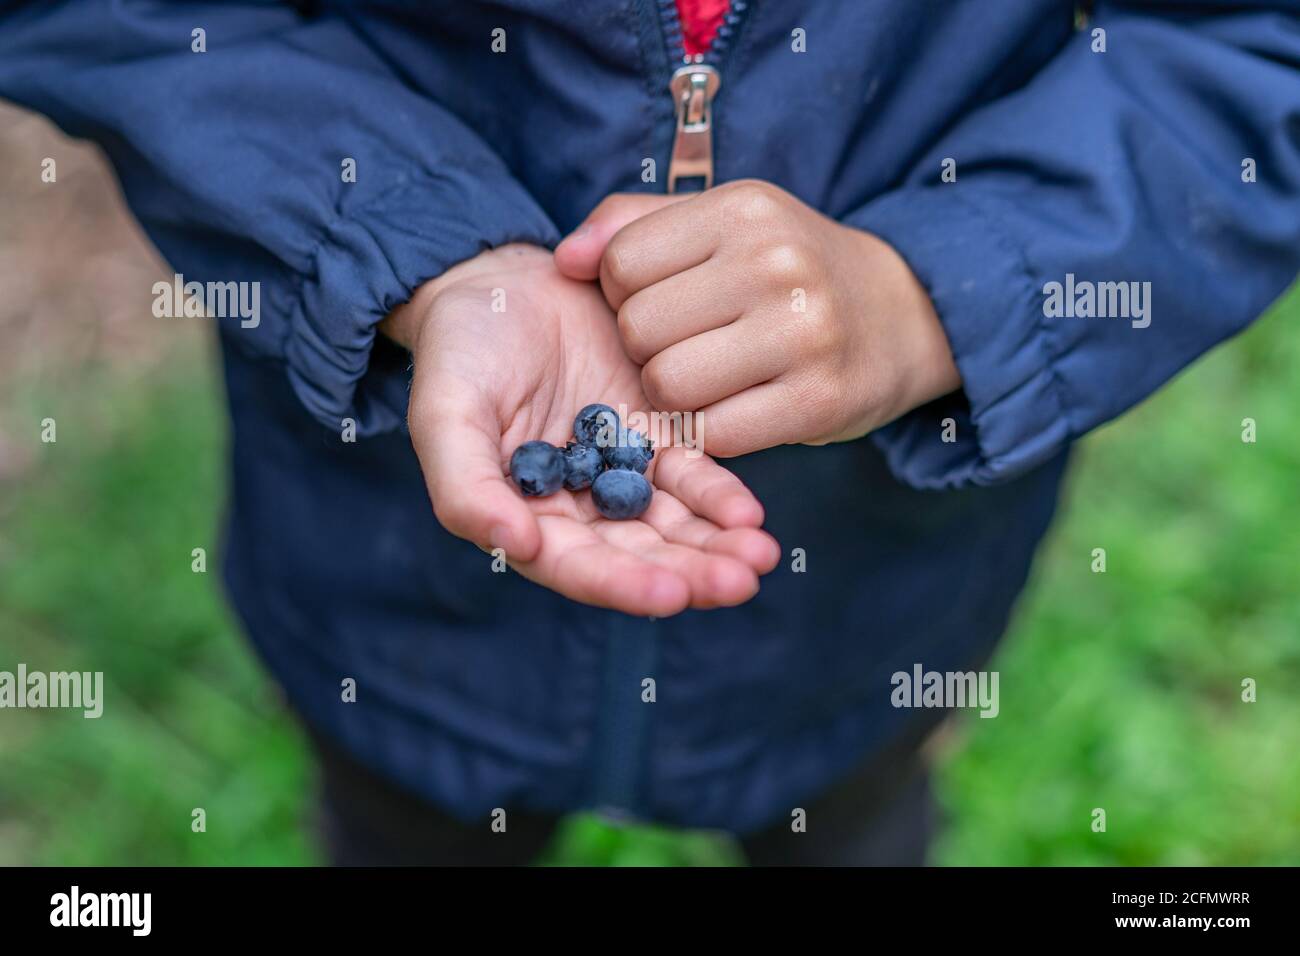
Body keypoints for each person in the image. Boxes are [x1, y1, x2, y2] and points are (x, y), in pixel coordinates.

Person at [2, 0, 1297, 865]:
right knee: (404, 823)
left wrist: (942, 289)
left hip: (869, 611)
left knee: (851, 817)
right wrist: (402, 247)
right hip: (394, 602)